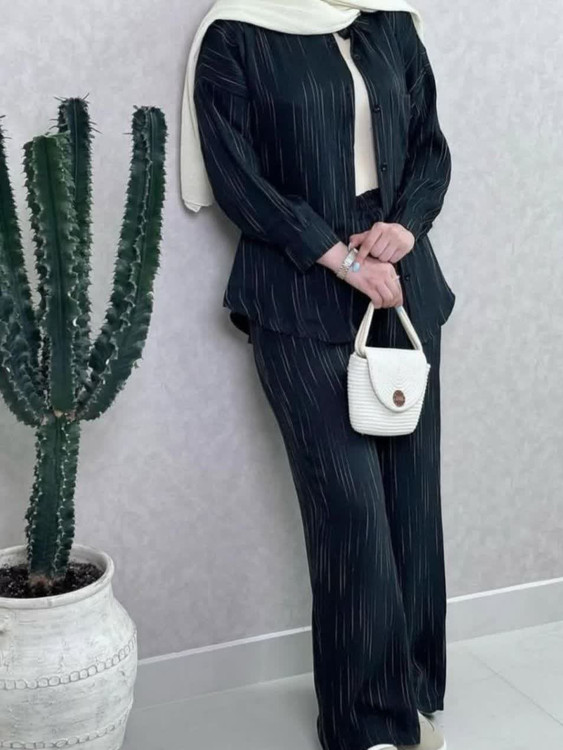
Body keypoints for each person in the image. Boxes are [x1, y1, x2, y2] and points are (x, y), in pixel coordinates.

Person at [181, 2, 455, 749]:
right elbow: (237, 178)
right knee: (350, 513)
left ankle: (412, 693)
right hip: (298, 293)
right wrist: (340, 257)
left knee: (411, 502)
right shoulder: (237, 34)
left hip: (402, 289)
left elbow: (429, 146)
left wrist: (404, 227)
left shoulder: (389, 24)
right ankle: (364, 723)